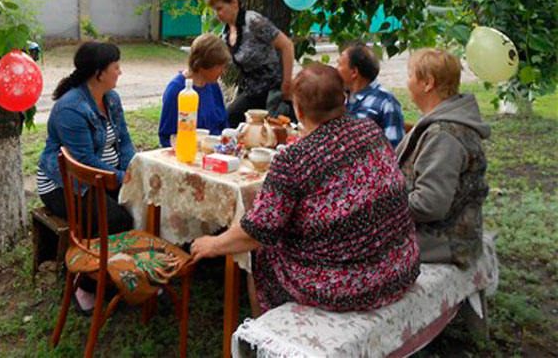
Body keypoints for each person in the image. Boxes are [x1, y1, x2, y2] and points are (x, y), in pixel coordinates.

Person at [190, 63, 420, 315]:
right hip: (400, 266)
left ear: (298, 111)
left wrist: (211, 244)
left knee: (263, 253)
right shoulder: (371, 132)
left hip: (349, 287)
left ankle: (263, 338)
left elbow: (258, 231)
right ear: (343, 99)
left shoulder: (294, 158)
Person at [36, 41, 135, 313]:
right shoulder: (71, 108)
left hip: (105, 177)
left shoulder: (111, 98)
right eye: (116, 66)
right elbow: (83, 163)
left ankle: (120, 271)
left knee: (144, 205)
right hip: (68, 184)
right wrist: (119, 178)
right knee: (117, 220)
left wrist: (129, 169)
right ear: (99, 73)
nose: (120, 72)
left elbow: (124, 140)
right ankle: (84, 285)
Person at [397, 49, 490, 268]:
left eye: (411, 75)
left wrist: (378, 206)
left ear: (427, 82)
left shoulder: (444, 135)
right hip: (441, 235)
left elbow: (429, 205)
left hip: (443, 241)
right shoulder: (443, 126)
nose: (407, 82)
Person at [205, 0, 295, 128]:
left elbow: (287, 46)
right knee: (229, 121)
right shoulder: (226, 33)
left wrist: (287, 83)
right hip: (250, 91)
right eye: (215, 10)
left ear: (234, 2)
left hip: (272, 90)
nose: (217, 14)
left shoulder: (253, 21)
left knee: (231, 119)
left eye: (220, 8)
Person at [158, 33, 229, 148]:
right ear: (203, 66)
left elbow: (223, 124)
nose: (223, 72)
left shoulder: (213, 85)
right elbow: (167, 137)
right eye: (220, 66)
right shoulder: (176, 90)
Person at [336, 41, 405, 149]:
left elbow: (394, 151)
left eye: (339, 64)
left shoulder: (386, 103)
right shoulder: (341, 99)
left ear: (354, 72)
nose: (336, 69)